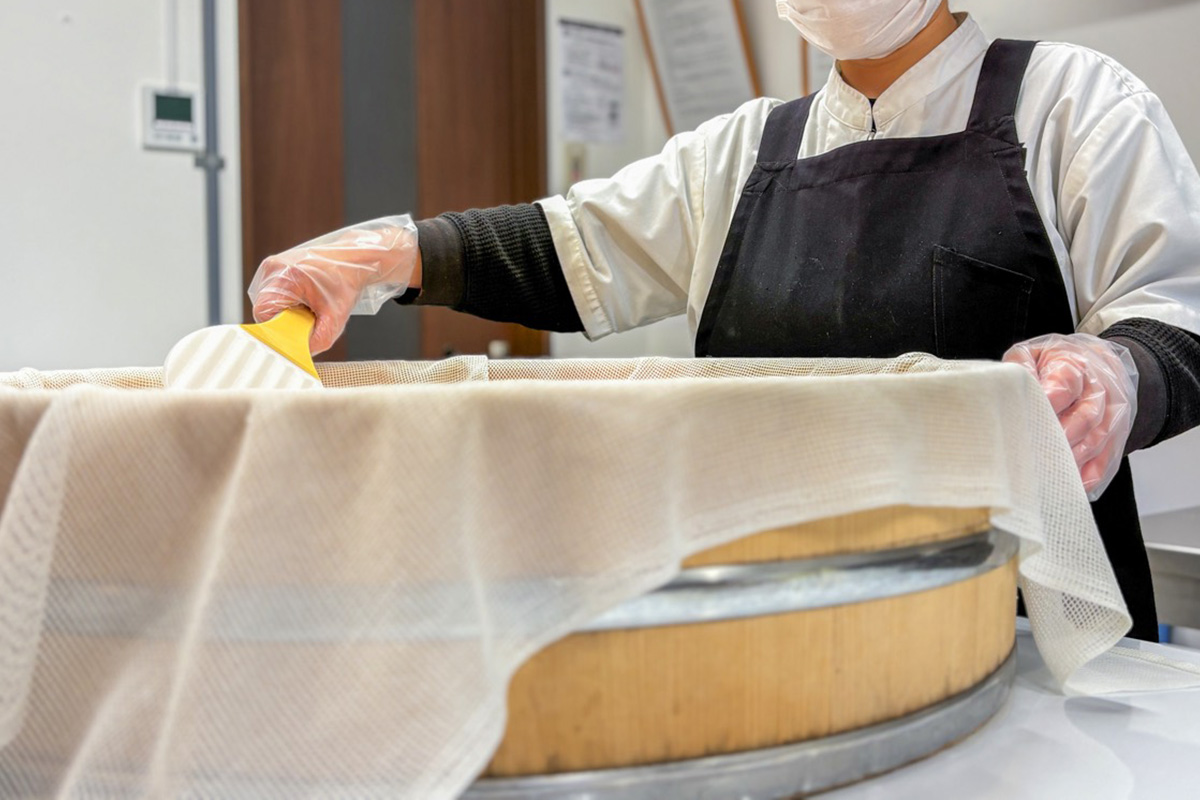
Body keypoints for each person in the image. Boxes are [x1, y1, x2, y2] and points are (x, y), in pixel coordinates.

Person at [248, 0, 1200, 641]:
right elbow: (570, 246)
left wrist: (1118, 376)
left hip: (1021, 633)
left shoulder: (1074, 102)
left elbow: (1178, 318)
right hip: (769, 626)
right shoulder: (745, 149)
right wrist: (391, 255)